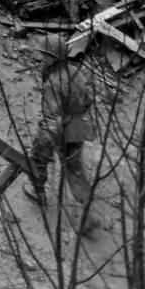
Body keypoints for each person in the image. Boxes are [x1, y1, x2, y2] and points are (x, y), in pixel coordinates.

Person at [26, 35, 95, 215]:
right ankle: (85, 204)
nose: (41, 58)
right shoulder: (76, 72)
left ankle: (38, 191)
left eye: (44, 55)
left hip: (60, 127)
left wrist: (43, 142)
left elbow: (52, 119)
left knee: (38, 159)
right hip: (79, 124)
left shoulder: (53, 83)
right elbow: (88, 99)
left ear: (52, 57)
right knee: (74, 168)